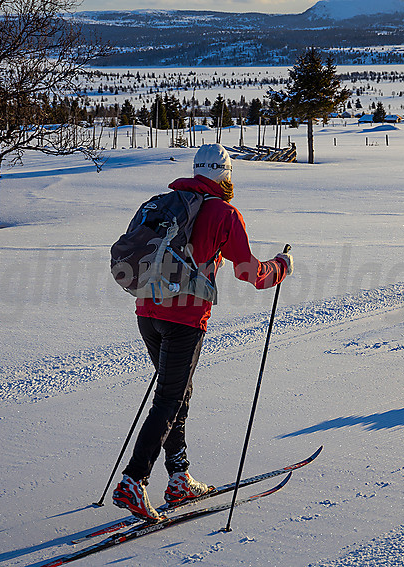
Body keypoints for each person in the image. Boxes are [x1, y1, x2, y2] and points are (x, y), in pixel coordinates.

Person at [112, 143, 294, 521]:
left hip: (147, 311)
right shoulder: (222, 212)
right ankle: (134, 480)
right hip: (185, 318)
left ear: (196, 171)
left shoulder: (160, 204)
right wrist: (280, 266)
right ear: (226, 176)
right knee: (169, 399)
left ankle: (179, 476)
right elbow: (249, 272)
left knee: (177, 394)